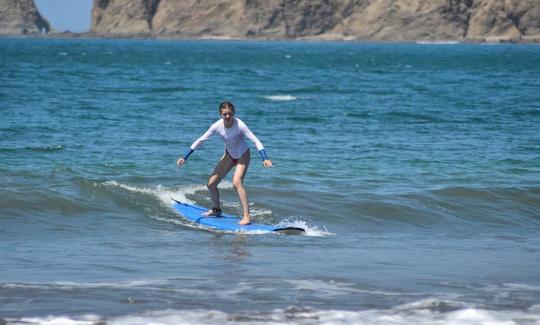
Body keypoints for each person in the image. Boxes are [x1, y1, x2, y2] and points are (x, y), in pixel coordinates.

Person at [176, 101, 273, 225]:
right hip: (229, 155)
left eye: (230, 114)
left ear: (233, 113)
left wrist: (264, 157)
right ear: (220, 114)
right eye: (225, 114)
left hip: (243, 155)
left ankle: (247, 217)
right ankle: (216, 210)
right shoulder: (217, 126)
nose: (227, 117)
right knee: (211, 184)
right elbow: (201, 140)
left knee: (236, 182)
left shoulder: (240, 125)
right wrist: (185, 156)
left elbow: (255, 140)